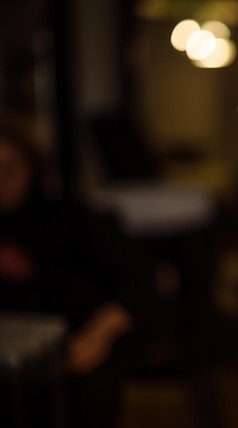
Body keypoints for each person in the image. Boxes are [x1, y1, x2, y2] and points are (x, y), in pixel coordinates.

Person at [0, 124, 153, 428]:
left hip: (73, 355)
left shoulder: (71, 218)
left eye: (10, 168)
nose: (1, 180)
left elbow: (139, 281)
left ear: (32, 167)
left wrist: (98, 336)